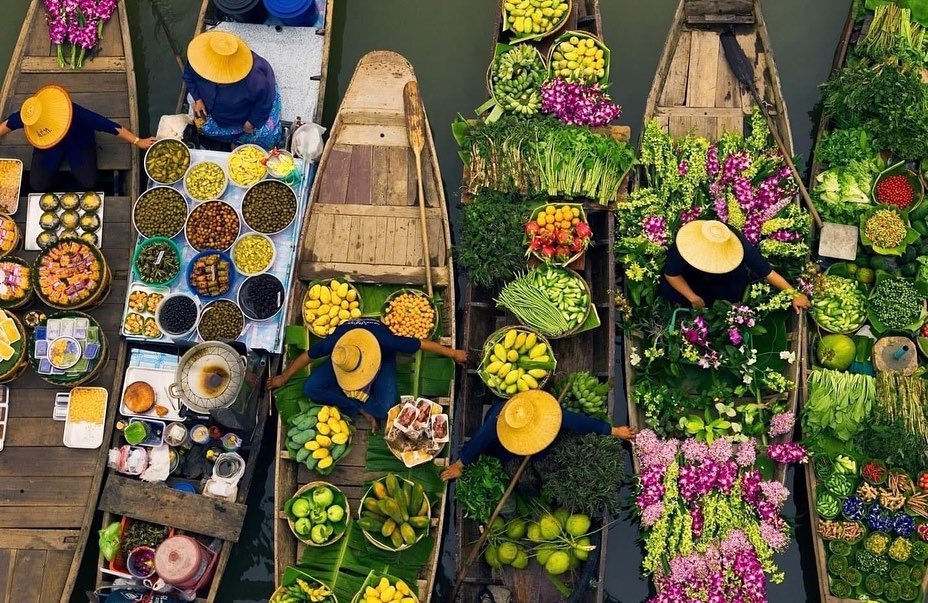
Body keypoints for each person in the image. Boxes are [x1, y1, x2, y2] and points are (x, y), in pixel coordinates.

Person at [266, 317, 467, 431]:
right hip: (346, 359)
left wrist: (453, 353)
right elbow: (307, 356)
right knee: (311, 387)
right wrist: (284, 377)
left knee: (385, 409)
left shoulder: (387, 342)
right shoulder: (336, 344)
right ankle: (359, 407)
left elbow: (421, 344)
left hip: (382, 356)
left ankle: (357, 399)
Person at [439, 390, 636, 481]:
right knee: (521, 475)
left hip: (537, 440)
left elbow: (580, 422)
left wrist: (614, 431)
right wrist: (459, 465)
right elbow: (477, 442)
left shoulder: (548, 415)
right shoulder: (495, 426)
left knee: (546, 458)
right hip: (503, 448)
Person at [0, 84, 154, 192]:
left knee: (89, 182)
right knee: (37, 184)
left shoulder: (75, 113)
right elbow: (7, 125)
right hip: (48, 146)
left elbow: (109, 126)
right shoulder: (31, 115)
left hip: (78, 143)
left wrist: (137, 141)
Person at [660, 219, 810, 312]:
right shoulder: (687, 244)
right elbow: (671, 274)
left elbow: (767, 272)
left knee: (730, 296)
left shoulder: (738, 244)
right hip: (691, 277)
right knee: (669, 289)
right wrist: (693, 298)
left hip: (724, 280)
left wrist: (794, 294)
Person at [183, 31, 282, 149]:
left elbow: (264, 102)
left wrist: (251, 122)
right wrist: (198, 98)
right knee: (204, 130)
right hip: (219, 114)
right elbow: (188, 76)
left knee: (266, 136)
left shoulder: (255, 79)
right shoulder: (199, 60)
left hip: (242, 115)